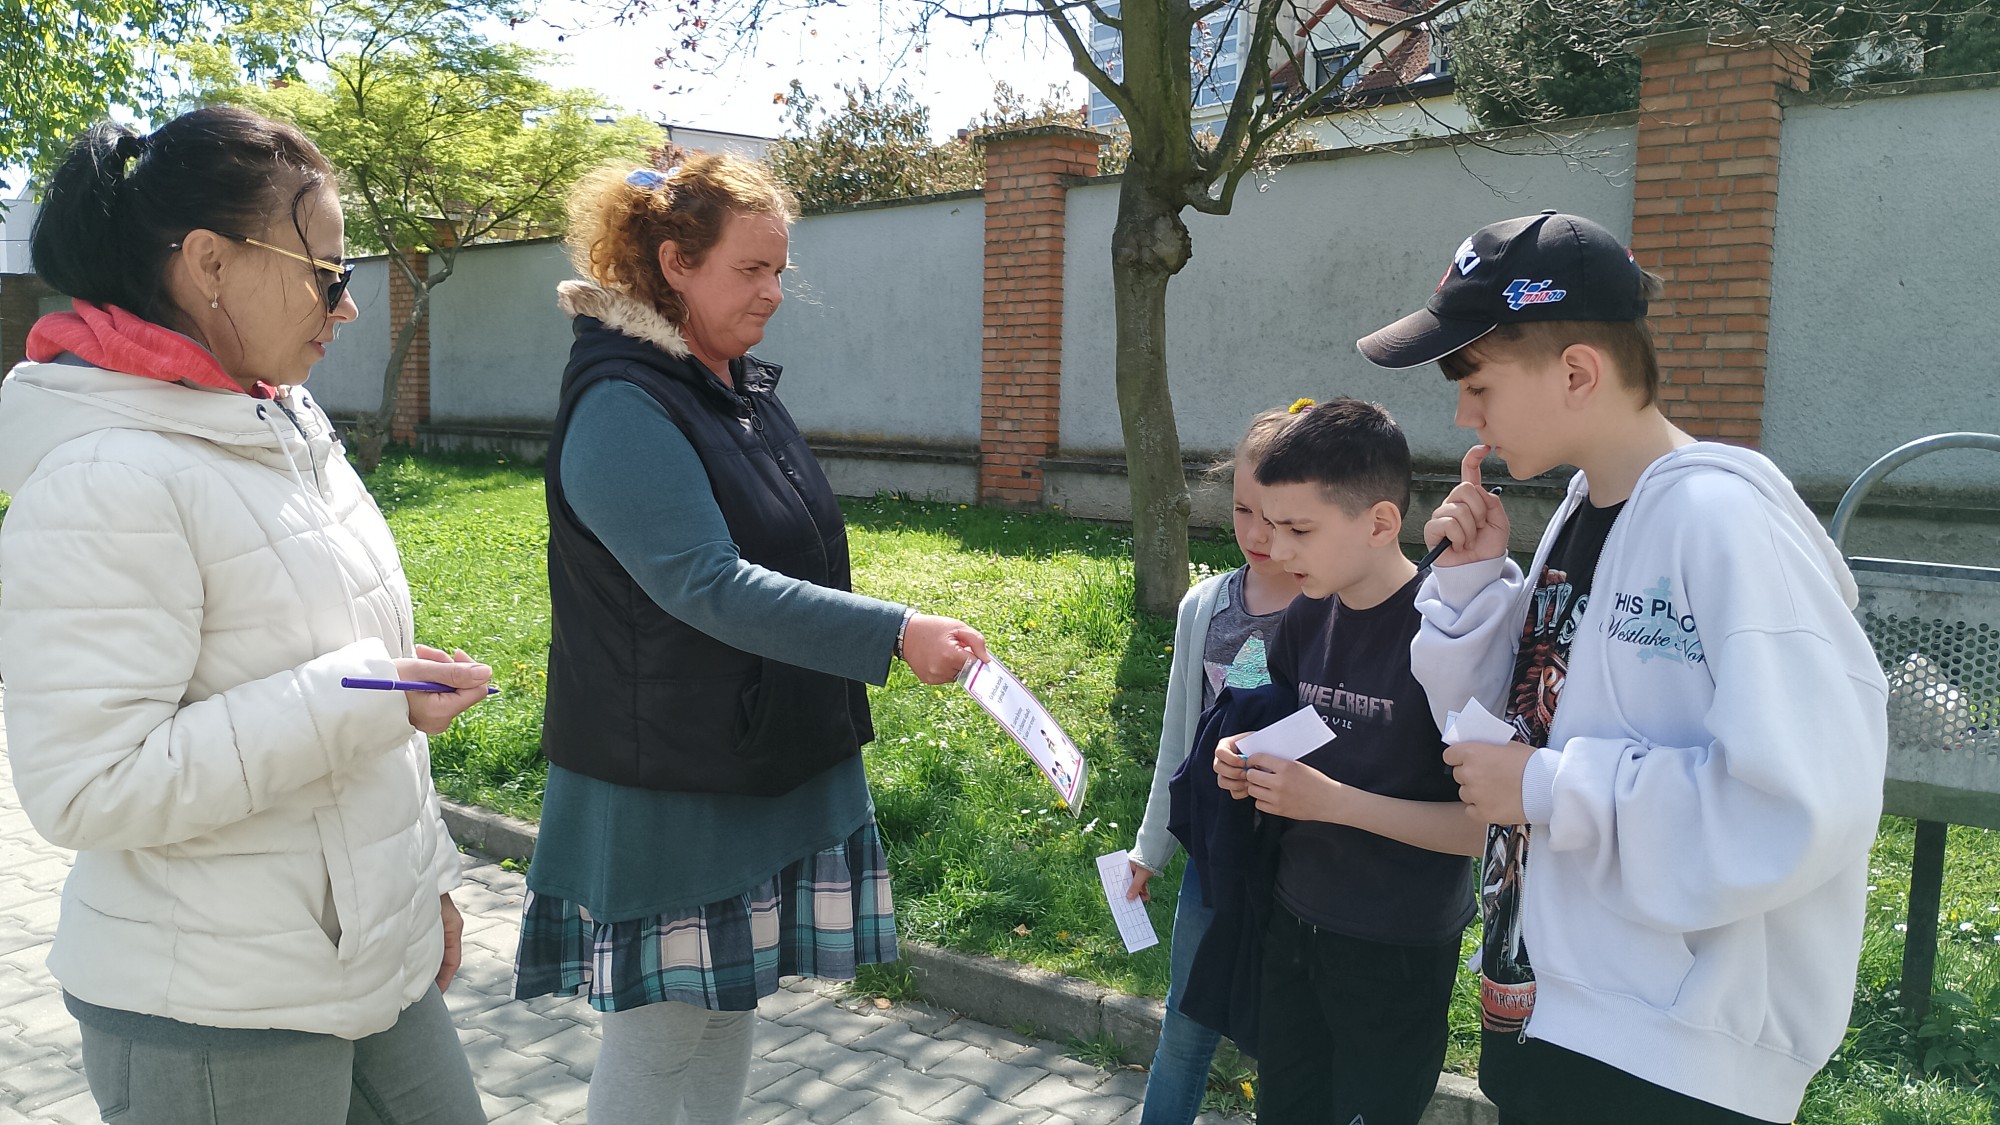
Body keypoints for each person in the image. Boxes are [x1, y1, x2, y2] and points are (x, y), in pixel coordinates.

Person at [0, 107, 492, 1124]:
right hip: (211, 1012)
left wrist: (424, 884)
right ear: (210, 263)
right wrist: (369, 695)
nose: (346, 307)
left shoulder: (278, 424)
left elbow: (347, 684)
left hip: (368, 965)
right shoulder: (106, 476)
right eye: (328, 273)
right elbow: (87, 787)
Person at [1358, 210, 1888, 1124]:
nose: (1463, 415)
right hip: (1554, 1014)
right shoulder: (1584, 509)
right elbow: (1531, 724)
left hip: (1669, 1064)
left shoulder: (1722, 523)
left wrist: (1549, 787)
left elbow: (1804, 803)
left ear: (1576, 372)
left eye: (1476, 383)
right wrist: (1477, 587)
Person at [512, 155, 989, 1124]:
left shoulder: (723, 384)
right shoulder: (623, 404)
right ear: (675, 263)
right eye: (751, 269)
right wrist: (894, 633)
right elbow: (706, 582)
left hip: (744, 754)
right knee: (660, 1036)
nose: (773, 292)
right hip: (669, 782)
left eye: (779, 269)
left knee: (727, 1005)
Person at [1209, 399, 1481, 1125]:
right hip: (1293, 921)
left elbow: (1484, 828)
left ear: (1380, 523)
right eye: (1269, 525)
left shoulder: (1447, 634)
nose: (1276, 550)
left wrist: (1332, 801)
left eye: (1299, 530)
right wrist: (1240, 752)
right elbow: (1273, 716)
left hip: (1397, 946)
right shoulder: (1306, 612)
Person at [1126, 405, 1304, 1125]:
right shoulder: (1205, 605)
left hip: (1302, 864)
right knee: (1186, 1027)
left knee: (1288, 1041)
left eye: (1276, 517)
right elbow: (1180, 738)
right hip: (1215, 857)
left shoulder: (1331, 606)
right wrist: (1150, 849)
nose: (1257, 534)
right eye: (1241, 510)